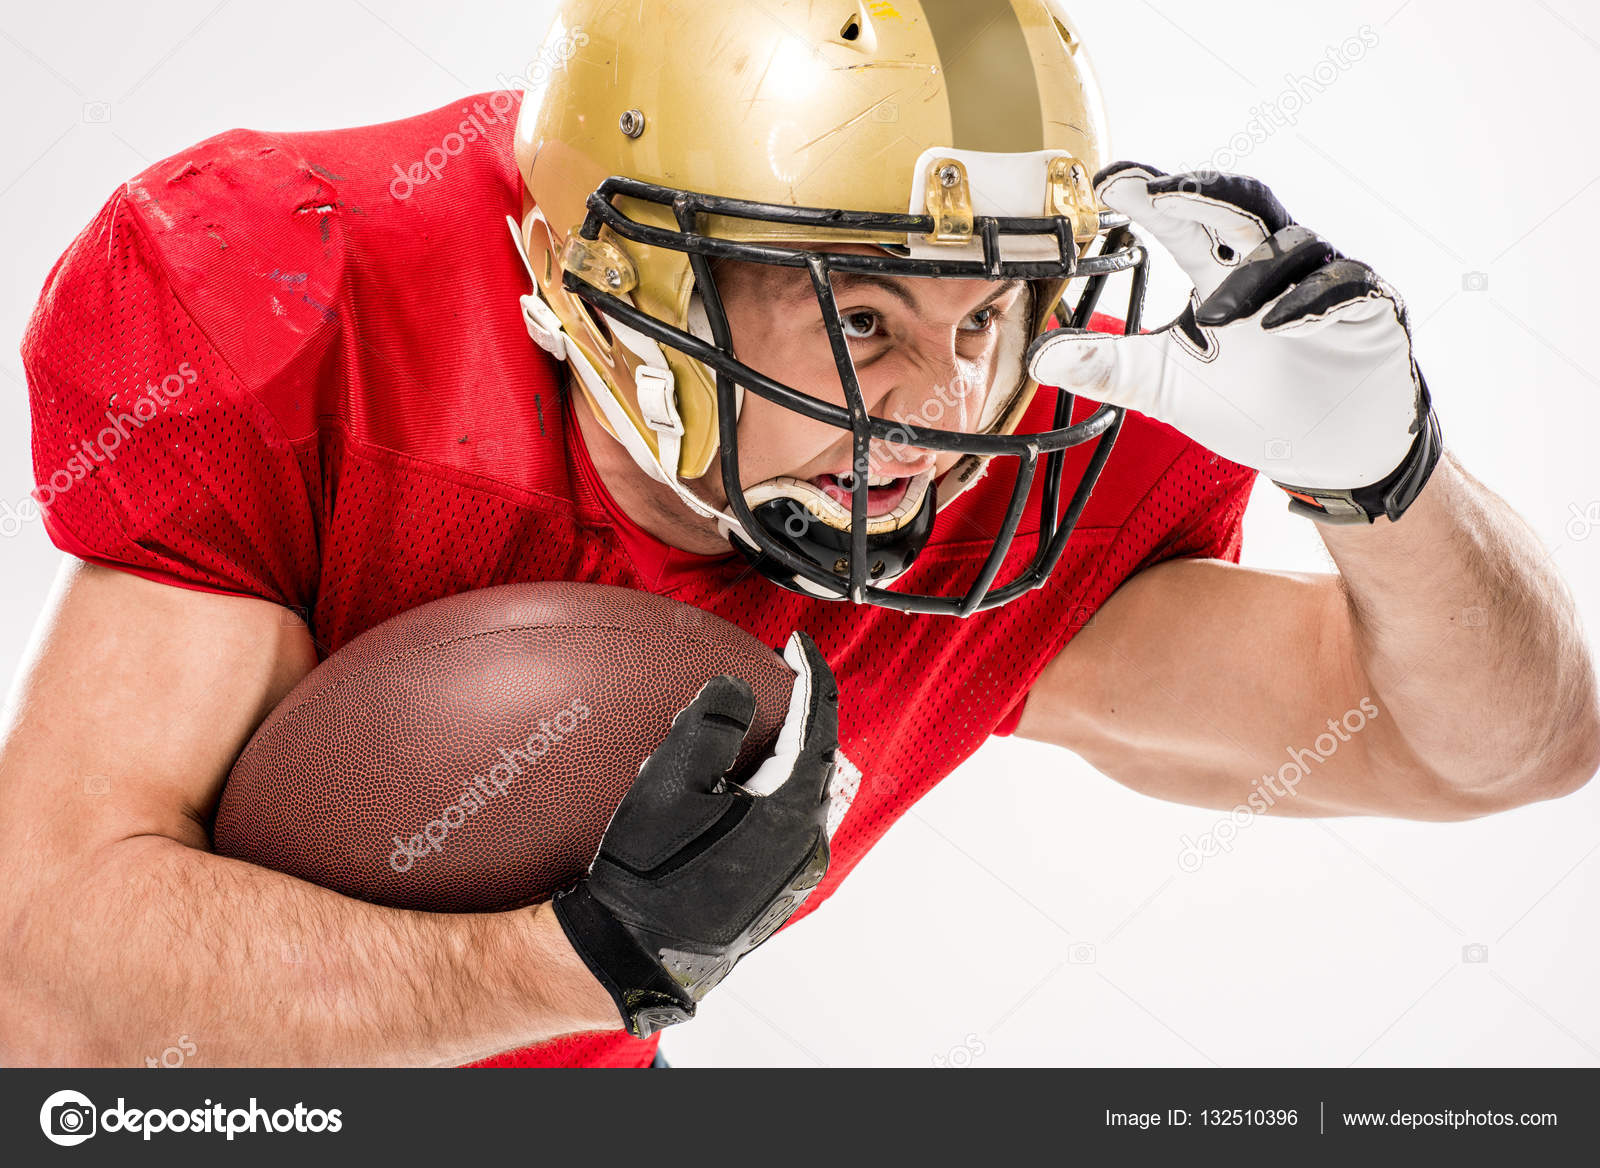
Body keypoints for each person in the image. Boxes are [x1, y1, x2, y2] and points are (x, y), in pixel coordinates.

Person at [2, 0, 1595, 1068]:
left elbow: (1498, 751)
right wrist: (573, 962)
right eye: (861, 317)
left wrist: (1392, 487)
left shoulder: (1006, 458)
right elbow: (52, 970)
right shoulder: (313, 311)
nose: (943, 411)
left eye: (996, 315)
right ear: (615, 284)